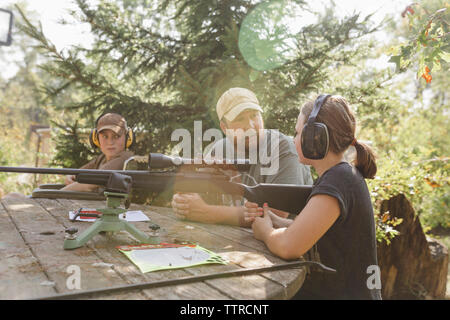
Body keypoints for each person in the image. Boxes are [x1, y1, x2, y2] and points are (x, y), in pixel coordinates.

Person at [247, 95, 381, 299]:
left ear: (314, 137)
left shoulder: (338, 181)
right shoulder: (339, 176)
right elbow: (319, 232)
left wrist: (265, 232)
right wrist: (276, 221)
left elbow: (288, 247)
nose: (293, 139)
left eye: (298, 132)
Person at [171, 87, 313, 226]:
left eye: (254, 115)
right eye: (240, 119)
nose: (250, 125)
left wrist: (207, 213)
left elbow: (278, 214)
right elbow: (197, 195)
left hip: (286, 244)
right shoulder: (219, 149)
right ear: (224, 127)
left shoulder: (283, 148)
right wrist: (183, 203)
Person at [62, 113, 134, 192]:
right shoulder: (102, 158)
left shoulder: (125, 158)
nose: (110, 142)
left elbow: (87, 185)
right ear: (96, 139)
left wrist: (56, 194)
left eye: (116, 136)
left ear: (128, 138)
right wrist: (71, 175)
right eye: (105, 136)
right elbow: (79, 173)